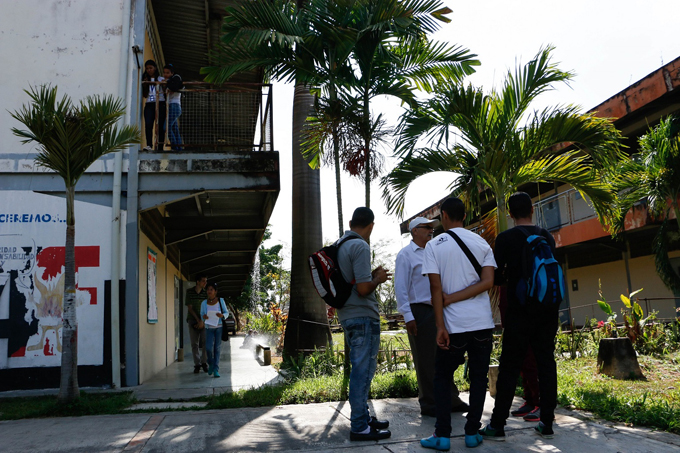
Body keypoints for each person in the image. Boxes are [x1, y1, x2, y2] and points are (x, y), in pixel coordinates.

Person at [480, 191, 559, 440]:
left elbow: (496, 273)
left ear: (510, 213)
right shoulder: (546, 236)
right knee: (546, 362)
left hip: (519, 311)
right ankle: (547, 422)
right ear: (533, 209)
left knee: (510, 366)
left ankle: (497, 425)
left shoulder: (505, 238)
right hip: (547, 309)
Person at [420, 197, 496, 450]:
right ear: (464, 216)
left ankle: (442, 436)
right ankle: (472, 433)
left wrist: (440, 325)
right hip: (482, 323)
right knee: (478, 378)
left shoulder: (434, 246)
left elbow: (435, 288)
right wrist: (457, 297)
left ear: (443, 216)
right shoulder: (481, 242)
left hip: (453, 326)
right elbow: (487, 282)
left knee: (442, 377)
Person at [395, 216, 469, 417]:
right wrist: (408, 316)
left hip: (440, 308)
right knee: (426, 358)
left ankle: (451, 399)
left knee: (447, 356)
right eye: (426, 227)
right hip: (420, 310)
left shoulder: (435, 251)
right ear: (414, 231)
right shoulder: (406, 255)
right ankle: (428, 403)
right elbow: (400, 288)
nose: (431, 230)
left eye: (432, 227)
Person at [337, 207, 392, 441]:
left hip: (348, 315)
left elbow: (353, 282)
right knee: (362, 371)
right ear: (371, 226)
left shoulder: (341, 245)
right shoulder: (360, 245)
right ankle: (359, 425)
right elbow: (362, 289)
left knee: (362, 370)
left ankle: (365, 416)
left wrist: (369, 276)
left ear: (351, 223)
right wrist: (378, 279)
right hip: (362, 316)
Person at [200, 282, 229, 378]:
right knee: (208, 348)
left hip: (219, 328)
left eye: (211, 289)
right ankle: (211, 363)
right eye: (208, 289)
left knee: (217, 348)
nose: (209, 291)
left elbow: (226, 312)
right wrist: (204, 317)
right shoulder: (204, 303)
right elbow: (202, 314)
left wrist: (222, 315)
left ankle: (216, 369)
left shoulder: (220, 301)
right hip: (209, 328)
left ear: (215, 291)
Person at [186, 274, 208, 373]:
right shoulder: (189, 292)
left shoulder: (205, 293)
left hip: (204, 320)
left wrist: (202, 321)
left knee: (205, 342)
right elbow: (189, 308)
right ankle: (197, 364)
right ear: (198, 282)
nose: (205, 283)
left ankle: (204, 362)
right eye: (203, 281)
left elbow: (207, 308)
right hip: (192, 319)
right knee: (194, 343)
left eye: (206, 281)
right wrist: (198, 320)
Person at [141, 60, 165, 151]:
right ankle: (149, 145)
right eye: (147, 68)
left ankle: (160, 147)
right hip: (149, 104)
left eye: (151, 68)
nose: (149, 70)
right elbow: (144, 94)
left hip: (160, 103)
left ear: (155, 68)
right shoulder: (144, 80)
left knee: (160, 126)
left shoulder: (160, 79)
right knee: (148, 124)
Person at [163, 64, 183, 151]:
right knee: (174, 129)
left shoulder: (176, 78)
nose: (165, 74)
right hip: (171, 106)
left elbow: (174, 87)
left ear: (172, 73)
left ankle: (174, 146)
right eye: (164, 73)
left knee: (166, 127)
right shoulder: (170, 80)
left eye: (167, 73)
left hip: (174, 106)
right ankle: (179, 148)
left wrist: (167, 82)